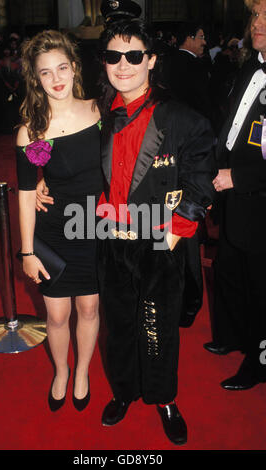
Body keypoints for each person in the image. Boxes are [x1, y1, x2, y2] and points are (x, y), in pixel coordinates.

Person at [95, 18, 215, 445]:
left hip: (159, 243)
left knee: (157, 325)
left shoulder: (178, 117)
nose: (122, 65)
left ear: (150, 60)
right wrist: (40, 183)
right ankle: (125, 391)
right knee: (121, 324)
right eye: (113, 56)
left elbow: (204, 172)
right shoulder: (100, 117)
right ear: (105, 63)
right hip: (111, 242)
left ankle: (164, 398)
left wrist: (178, 229)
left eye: (133, 55)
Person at [16, 30, 103, 412]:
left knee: (88, 309)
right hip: (54, 230)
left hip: (95, 227)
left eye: (62, 67)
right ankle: (62, 371)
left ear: (74, 67)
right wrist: (27, 252)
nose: (56, 79)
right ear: (35, 79)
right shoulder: (34, 132)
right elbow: (23, 191)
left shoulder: (100, 112)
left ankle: (83, 370)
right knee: (56, 312)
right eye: (45, 72)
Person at [203, 0, 266, 391]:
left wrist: (237, 178)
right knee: (229, 270)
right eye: (257, 15)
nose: (258, 23)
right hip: (231, 194)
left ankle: (259, 360)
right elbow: (235, 126)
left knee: (262, 288)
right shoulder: (250, 65)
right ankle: (233, 336)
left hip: (257, 198)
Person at [166, 23, 212, 122]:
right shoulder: (196, 65)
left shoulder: (169, 60)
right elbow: (203, 100)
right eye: (201, 37)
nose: (204, 42)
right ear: (188, 39)